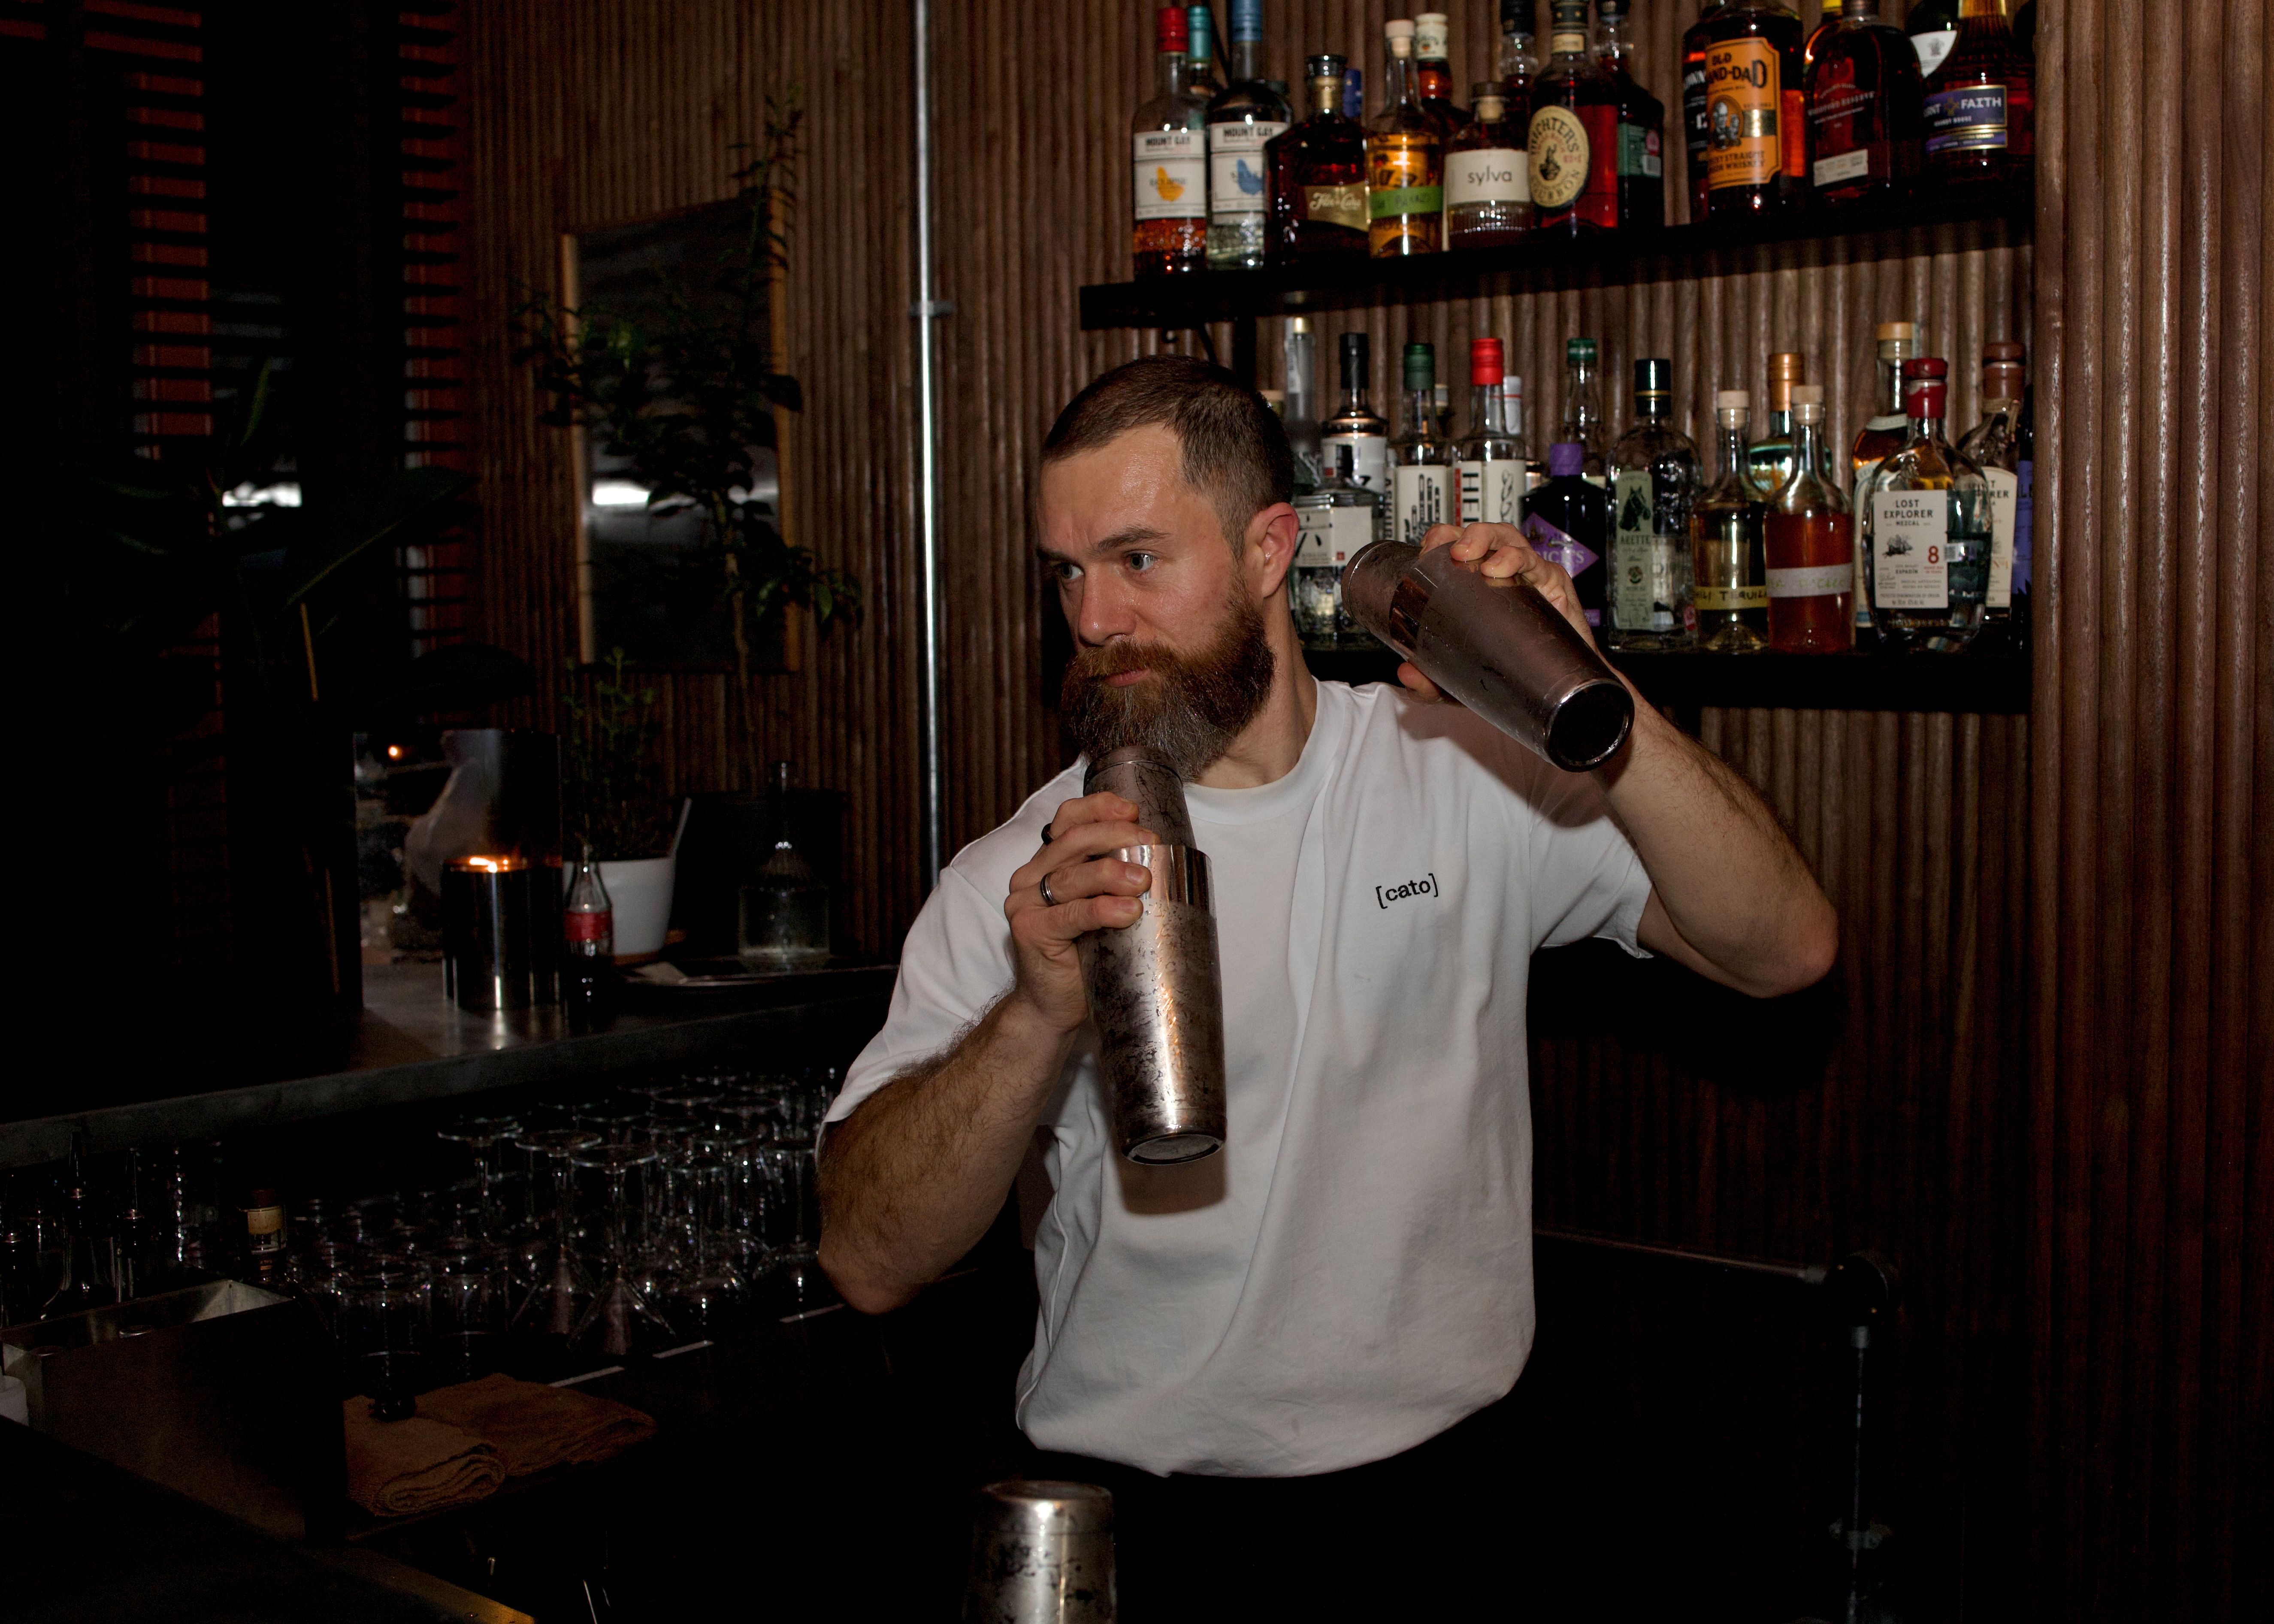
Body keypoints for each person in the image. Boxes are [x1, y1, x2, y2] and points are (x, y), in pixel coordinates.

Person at [818, 355, 1837, 1612]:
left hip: (1445, 1503)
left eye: (1137, 559)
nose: (1093, 617)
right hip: (1136, 1523)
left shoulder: (1460, 772)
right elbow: (868, 1258)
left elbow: (1782, 949)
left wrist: (1593, 687)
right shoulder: (1023, 876)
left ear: (1268, 550)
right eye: (1066, 572)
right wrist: (1032, 1018)